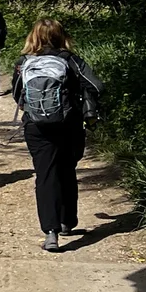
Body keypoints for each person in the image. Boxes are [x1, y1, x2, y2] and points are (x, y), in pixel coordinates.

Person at [10, 18, 102, 252]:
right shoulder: (70, 60)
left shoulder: (24, 62)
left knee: (45, 174)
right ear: (62, 35)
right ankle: (67, 221)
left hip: (36, 126)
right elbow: (96, 85)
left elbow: (17, 94)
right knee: (67, 169)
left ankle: (51, 232)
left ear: (33, 36)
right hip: (68, 123)